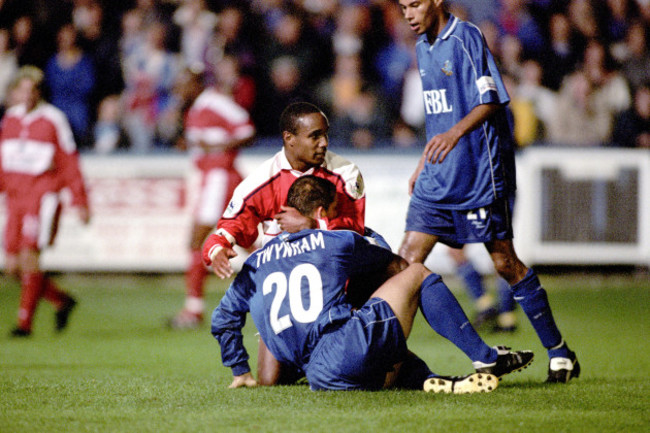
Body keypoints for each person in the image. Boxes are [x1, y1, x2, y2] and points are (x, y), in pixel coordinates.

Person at [396, 0, 579, 383]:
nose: (408, 14)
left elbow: (491, 98)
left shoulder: (465, 36)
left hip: (479, 174)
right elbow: (438, 114)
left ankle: (559, 352)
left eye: (414, 5)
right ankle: (392, 361)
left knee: (504, 263)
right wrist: (423, 161)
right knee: (405, 264)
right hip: (438, 176)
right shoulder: (421, 48)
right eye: (402, 7)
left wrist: (455, 133)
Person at [211, 176, 533, 392]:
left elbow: (223, 319)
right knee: (417, 275)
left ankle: (435, 381)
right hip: (342, 349)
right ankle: (485, 356)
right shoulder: (335, 242)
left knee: (365, 333)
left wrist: (240, 369)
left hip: (316, 374)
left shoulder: (255, 261)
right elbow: (396, 265)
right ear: (323, 212)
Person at [201, 101, 374, 384]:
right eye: (315, 136)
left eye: (325, 134)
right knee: (271, 382)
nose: (324, 143)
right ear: (289, 139)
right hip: (286, 301)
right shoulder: (259, 182)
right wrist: (218, 249)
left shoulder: (345, 173)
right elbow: (227, 229)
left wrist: (309, 225)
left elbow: (351, 234)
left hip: (334, 293)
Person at [0, 65, 90, 337]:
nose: (27, 95)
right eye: (23, 89)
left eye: (33, 90)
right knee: (13, 267)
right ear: (14, 92)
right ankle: (61, 300)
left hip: (42, 197)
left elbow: (69, 160)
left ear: (40, 92)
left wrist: (79, 199)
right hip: (15, 198)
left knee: (30, 258)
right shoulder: (10, 120)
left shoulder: (53, 119)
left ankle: (23, 324)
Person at [168, 62, 256, 330]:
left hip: (220, 177)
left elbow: (247, 129)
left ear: (197, 83)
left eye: (184, 83)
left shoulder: (215, 102)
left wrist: (217, 147)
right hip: (211, 179)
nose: (180, 89)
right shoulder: (194, 110)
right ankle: (282, 285)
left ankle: (193, 311)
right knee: (243, 239)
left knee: (198, 239)